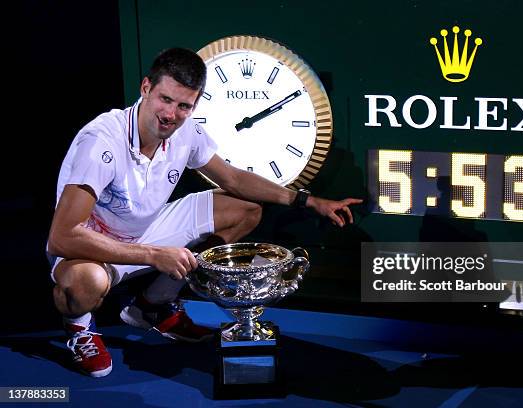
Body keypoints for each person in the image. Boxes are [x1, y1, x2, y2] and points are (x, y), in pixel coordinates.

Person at [47, 47, 362, 378]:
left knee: (244, 210)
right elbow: (62, 237)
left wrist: (308, 201)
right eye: (165, 99)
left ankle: (150, 306)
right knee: (86, 284)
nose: (171, 114)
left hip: (148, 230)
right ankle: (79, 328)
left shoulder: (186, 131)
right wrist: (153, 255)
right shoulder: (102, 142)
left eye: (184, 105)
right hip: (93, 246)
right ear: (145, 88)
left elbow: (233, 178)